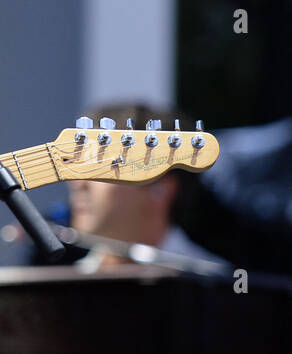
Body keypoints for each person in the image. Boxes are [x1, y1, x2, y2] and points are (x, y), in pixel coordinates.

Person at [67, 100, 225, 274]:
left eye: (99, 167)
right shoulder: (62, 289)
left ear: (159, 188)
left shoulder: (218, 287)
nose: (78, 183)